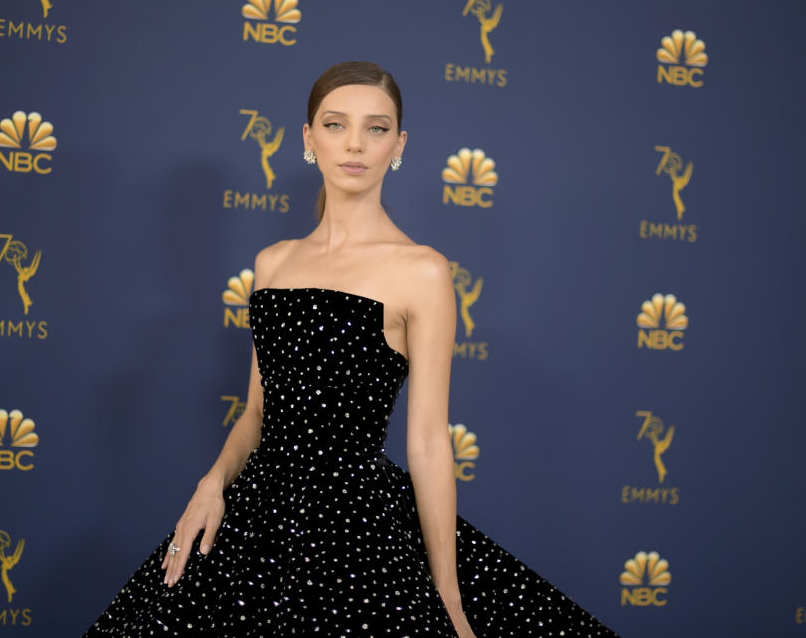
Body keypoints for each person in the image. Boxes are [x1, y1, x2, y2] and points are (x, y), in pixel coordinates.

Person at [84, 61, 619, 638]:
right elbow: (258, 413)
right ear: (308, 139)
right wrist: (212, 483)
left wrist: (447, 597)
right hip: (256, 515)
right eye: (336, 125)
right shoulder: (273, 262)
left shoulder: (423, 270)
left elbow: (429, 443)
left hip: (357, 524)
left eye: (377, 128)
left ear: (400, 144)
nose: (356, 144)